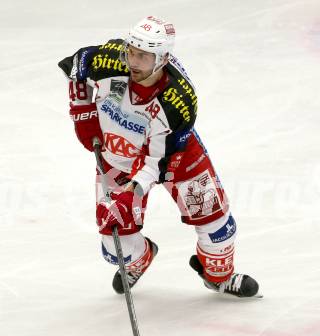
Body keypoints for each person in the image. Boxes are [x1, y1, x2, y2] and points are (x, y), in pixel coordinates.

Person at [58, 16, 260, 298]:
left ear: (163, 58)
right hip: (117, 156)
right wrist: (83, 113)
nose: (133, 61)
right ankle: (141, 259)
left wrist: (132, 193)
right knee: (115, 248)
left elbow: (157, 160)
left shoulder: (178, 100)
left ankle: (219, 277)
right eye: (131, 51)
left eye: (143, 55)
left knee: (218, 229)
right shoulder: (110, 60)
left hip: (175, 155)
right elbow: (76, 67)